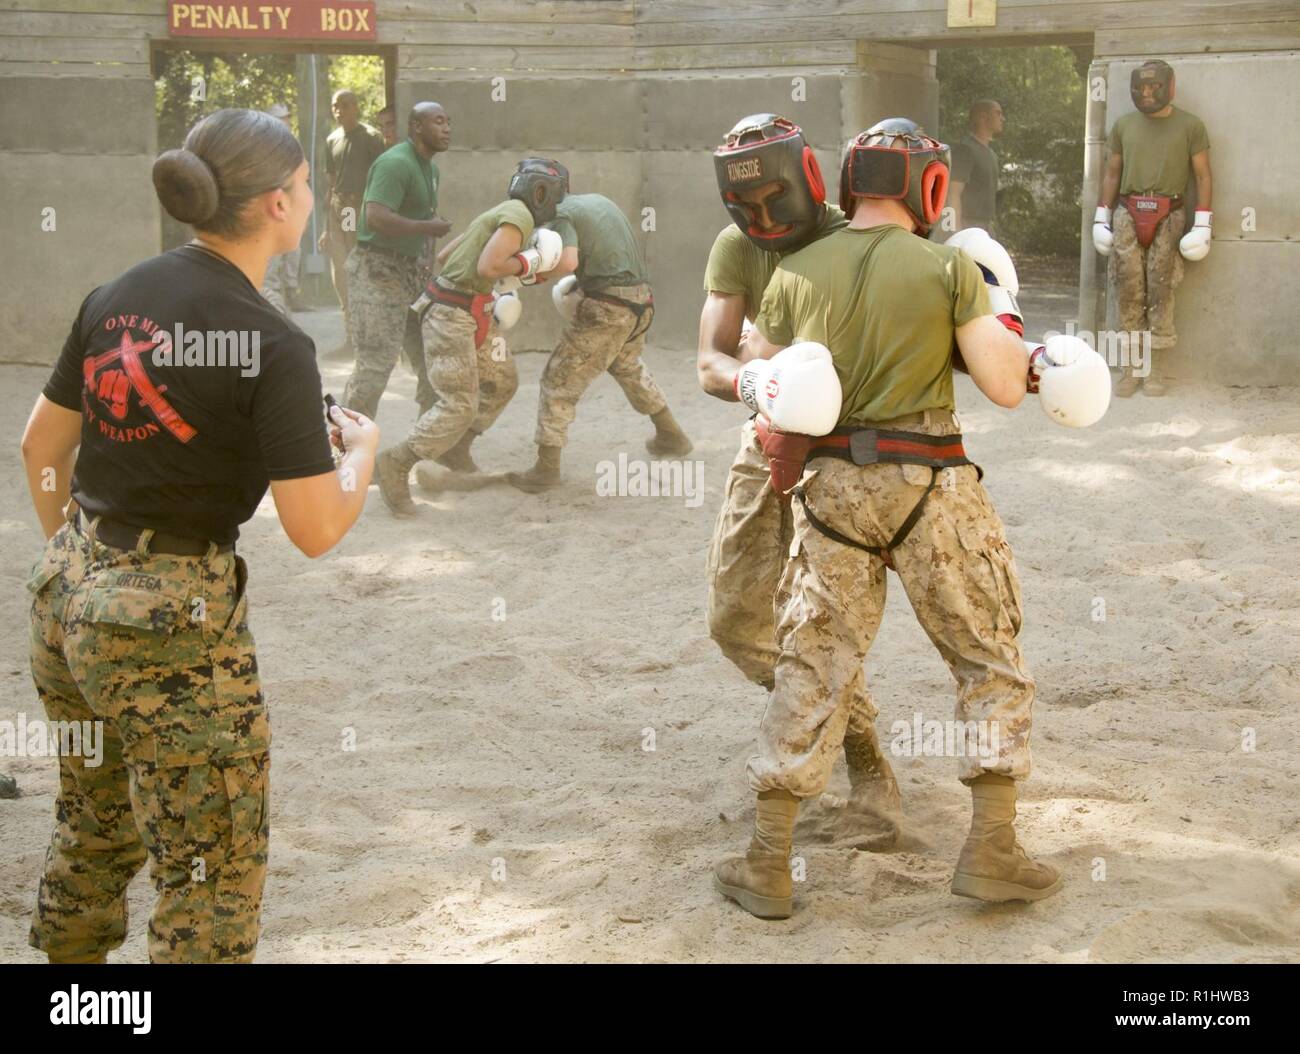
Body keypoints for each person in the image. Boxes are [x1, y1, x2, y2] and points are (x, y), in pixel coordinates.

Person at [20, 108, 379, 962]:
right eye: (302, 187)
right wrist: (360, 452)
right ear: (282, 206)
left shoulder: (115, 295)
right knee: (209, 871)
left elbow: (40, 447)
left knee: (94, 828)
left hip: (65, 594)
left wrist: (86, 563)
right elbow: (318, 526)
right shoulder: (274, 343)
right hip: (167, 625)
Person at [711, 118, 1077, 919]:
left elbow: (757, 377)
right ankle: (991, 850)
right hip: (931, 480)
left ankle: (768, 863)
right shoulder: (949, 267)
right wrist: (1023, 334)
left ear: (848, 185)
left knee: (813, 663)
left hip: (832, 485)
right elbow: (1008, 387)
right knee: (986, 657)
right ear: (930, 187)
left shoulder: (794, 271)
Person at [698, 114, 901, 832]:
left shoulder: (862, 234)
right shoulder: (736, 246)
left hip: (855, 453)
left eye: (772, 200)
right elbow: (710, 360)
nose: (760, 219)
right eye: (743, 208)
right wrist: (764, 384)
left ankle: (869, 765)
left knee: (822, 624)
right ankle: (850, 731)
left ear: (809, 179)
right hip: (772, 438)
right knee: (736, 618)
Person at [373, 158, 568, 514]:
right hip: (451, 313)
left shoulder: (501, 211)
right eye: (555, 197)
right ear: (542, 192)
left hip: (471, 308)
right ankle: (396, 463)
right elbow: (488, 266)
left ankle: (455, 449)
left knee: (502, 380)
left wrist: (501, 277)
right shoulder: (519, 217)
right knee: (459, 402)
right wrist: (529, 263)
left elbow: (447, 256)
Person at [507, 189, 691, 492]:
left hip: (609, 306)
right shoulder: (597, 201)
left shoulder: (560, 215)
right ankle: (670, 433)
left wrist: (531, 275)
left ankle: (546, 468)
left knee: (558, 379)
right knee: (627, 366)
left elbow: (567, 262)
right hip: (641, 302)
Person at [1093, 60, 1212, 397]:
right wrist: (1101, 216)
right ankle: (1132, 369)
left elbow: (1203, 175)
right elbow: (1112, 173)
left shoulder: (1191, 125)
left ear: (1168, 86)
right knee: (1128, 287)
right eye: (1140, 87)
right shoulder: (1123, 125)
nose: (1146, 94)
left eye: (1153, 87)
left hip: (1170, 211)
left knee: (1161, 286)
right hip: (1127, 210)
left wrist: (1203, 222)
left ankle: (1156, 370)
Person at [340, 102, 452, 421]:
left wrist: (426, 259)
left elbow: (425, 219)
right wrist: (427, 228)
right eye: (439, 121)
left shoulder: (431, 168)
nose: (447, 129)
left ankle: (425, 448)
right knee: (375, 366)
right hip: (376, 269)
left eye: (448, 122)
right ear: (417, 127)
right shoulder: (395, 163)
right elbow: (375, 217)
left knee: (433, 358)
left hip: (410, 271)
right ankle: (348, 453)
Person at [319, 90, 386, 357]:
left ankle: (371, 340)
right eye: (335, 106)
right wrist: (326, 226)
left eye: (345, 105)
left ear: (355, 107)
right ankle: (351, 339)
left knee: (362, 268)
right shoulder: (331, 139)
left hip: (360, 207)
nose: (339, 111)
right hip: (339, 208)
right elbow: (331, 185)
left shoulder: (371, 138)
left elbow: (381, 177)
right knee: (341, 272)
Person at [259, 101, 304, 315]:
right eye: (281, 118)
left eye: (286, 118)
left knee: (293, 253)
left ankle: (292, 295)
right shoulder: (262, 147)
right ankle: (273, 306)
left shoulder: (293, 146)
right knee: (272, 260)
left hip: (290, 206)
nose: (286, 122)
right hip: (271, 209)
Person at [947, 99, 1004, 237]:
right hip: (968, 227)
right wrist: (956, 233)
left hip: (987, 228)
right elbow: (953, 193)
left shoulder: (992, 155)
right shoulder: (965, 150)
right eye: (998, 113)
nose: (1003, 118)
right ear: (983, 117)